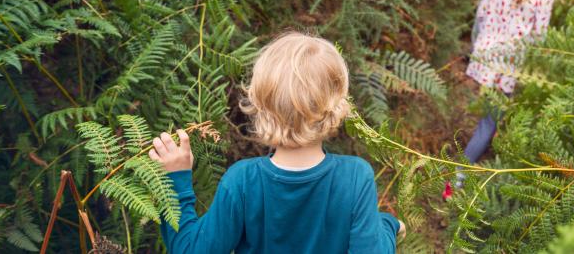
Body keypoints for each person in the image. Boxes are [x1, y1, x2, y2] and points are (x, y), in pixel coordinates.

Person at [149, 32, 405, 253]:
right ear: (337, 105)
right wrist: (387, 224)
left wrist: (174, 181)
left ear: (260, 104)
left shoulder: (242, 181)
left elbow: (191, 250)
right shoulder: (355, 177)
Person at [464, 0, 566, 165]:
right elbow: (538, 40)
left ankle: (476, 158)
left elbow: (481, 14)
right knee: (488, 123)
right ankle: (457, 177)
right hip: (507, 68)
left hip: (484, 57)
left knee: (489, 114)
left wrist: (476, 48)